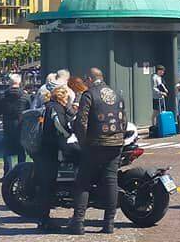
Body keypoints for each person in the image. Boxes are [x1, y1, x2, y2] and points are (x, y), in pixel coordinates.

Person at [68, 67, 127, 235]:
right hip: (115, 143)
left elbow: (81, 121)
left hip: (95, 144)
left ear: (90, 79)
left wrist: (83, 142)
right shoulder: (117, 94)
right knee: (110, 181)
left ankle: (78, 223)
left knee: (83, 182)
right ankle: (109, 223)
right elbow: (124, 118)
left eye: (86, 80)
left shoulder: (89, 94)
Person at [36, 85, 75, 231]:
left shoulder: (48, 106)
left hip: (46, 149)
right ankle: (44, 221)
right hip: (50, 149)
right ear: (63, 97)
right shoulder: (56, 108)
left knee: (46, 184)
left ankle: (43, 219)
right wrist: (69, 133)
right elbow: (61, 126)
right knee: (48, 184)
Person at [0, 73, 31, 174]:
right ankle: (21, 171)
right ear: (19, 82)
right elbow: (30, 111)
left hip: (7, 124)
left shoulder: (2, 96)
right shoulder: (25, 97)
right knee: (21, 150)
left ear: (9, 82)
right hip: (21, 125)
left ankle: (7, 172)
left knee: (7, 150)